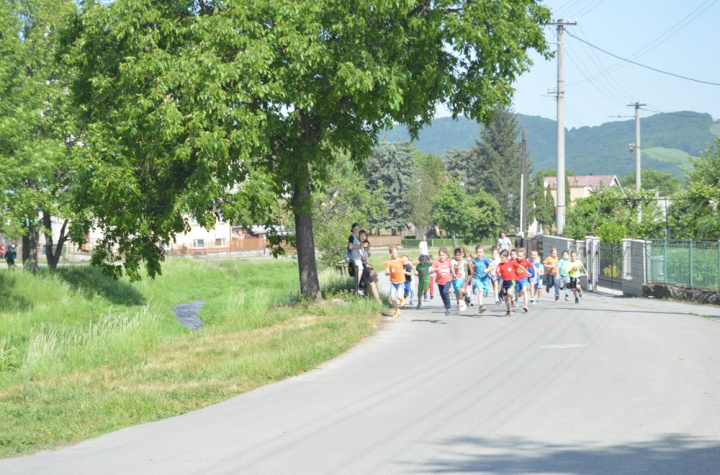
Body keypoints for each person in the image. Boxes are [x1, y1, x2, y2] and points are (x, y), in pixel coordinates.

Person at [429, 247, 454, 316]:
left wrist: (454, 275)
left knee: (445, 292)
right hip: (440, 282)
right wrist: (436, 269)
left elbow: (452, 269)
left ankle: (448, 308)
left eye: (443, 255)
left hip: (447, 281)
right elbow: (430, 272)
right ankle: (446, 304)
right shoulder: (436, 263)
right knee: (443, 296)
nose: (442, 257)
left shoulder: (448, 263)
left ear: (446, 255)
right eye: (440, 255)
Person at [495, 249, 519, 317]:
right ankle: (509, 310)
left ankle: (513, 299)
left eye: (502, 258)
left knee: (509, 292)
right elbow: (498, 271)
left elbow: (519, 266)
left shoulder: (511, 263)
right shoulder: (500, 264)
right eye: (501, 257)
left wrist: (525, 272)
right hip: (504, 282)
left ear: (507, 257)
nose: (501, 259)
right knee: (505, 299)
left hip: (511, 281)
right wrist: (497, 272)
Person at [360, 235, 382, 305]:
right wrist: (368, 265)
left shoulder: (366, 252)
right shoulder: (362, 251)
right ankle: (376, 300)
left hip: (366, 267)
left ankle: (372, 298)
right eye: (367, 245)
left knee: (372, 281)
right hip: (364, 268)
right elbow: (364, 262)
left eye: (369, 245)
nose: (369, 247)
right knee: (373, 280)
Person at [471, 245, 493, 314]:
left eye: (481, 252)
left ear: (483, 253)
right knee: (481, 290)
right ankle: (481, 306)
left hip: (485, 279)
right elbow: (474, 268)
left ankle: (485, 293)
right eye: (478, 252)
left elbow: (492, 266)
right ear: (476, 252)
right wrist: (472, 274)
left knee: (485, 293)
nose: (479, 254)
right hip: (478, 278)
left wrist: (488, 269)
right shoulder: (474, 260)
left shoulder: (485, 259)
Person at [385, 247, 405, 317]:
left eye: (397, 252)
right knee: (392, 298)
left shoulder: (400, 260)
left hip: (400, 282)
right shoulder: (388, 262)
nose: (396, 254)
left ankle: (402, 299)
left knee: (399, 296)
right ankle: (397, 310)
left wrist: (414, 270)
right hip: (393, 283)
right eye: (394, 253)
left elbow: (409, 262)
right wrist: (390, 272)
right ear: (390, 254)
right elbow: (386, 273)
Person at [515, 248, 533, 313]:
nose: (519, 257)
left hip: (524, 278)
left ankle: (525, 306)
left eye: (520, 256)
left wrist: (536, 270)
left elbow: (533, 266)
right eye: (518, 256)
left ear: (524, 256)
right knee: (519, 294)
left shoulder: (526, 261)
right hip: (517, 279)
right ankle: (518, 295)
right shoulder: (515, 261)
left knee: (525, 291)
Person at [347, 223, 364, 294]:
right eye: (355, 229)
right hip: (354, 257)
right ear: (352, 229)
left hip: (358, 256)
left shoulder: (356, 237)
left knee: (361, 269)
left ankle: (358, 286)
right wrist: (359, 247)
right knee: (360, 269)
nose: (356, 230)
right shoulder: (352, 237)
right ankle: (356, 286)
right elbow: (350, 247)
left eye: (358, 229)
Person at [451, 247, 469, 312]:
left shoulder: (464, 261)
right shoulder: (452, 261)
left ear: (461, 255)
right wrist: (454, 274)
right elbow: (453, 268)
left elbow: (470, 264)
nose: (458, 256)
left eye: (459, 255)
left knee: (458, 286)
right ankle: (458, 303)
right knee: (456, 292)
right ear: (454, 255)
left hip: (462, 277)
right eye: (457, 255)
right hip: (455, 278)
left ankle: (461, 300)